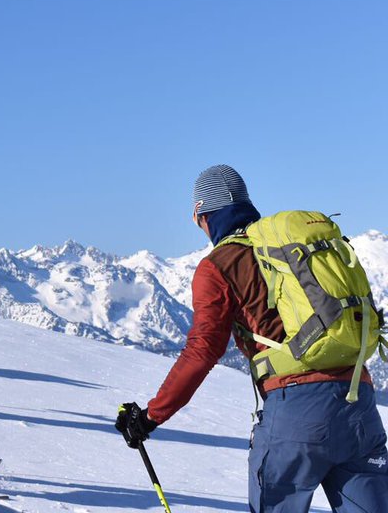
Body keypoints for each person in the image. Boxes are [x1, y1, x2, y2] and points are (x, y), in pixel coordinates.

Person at [116, 164, 388, 511]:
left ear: (203, 214)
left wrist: (151, 416)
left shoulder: (220, 265)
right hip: (359, 403)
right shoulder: (291, 249)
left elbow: (202, 351)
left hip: (295, 414)